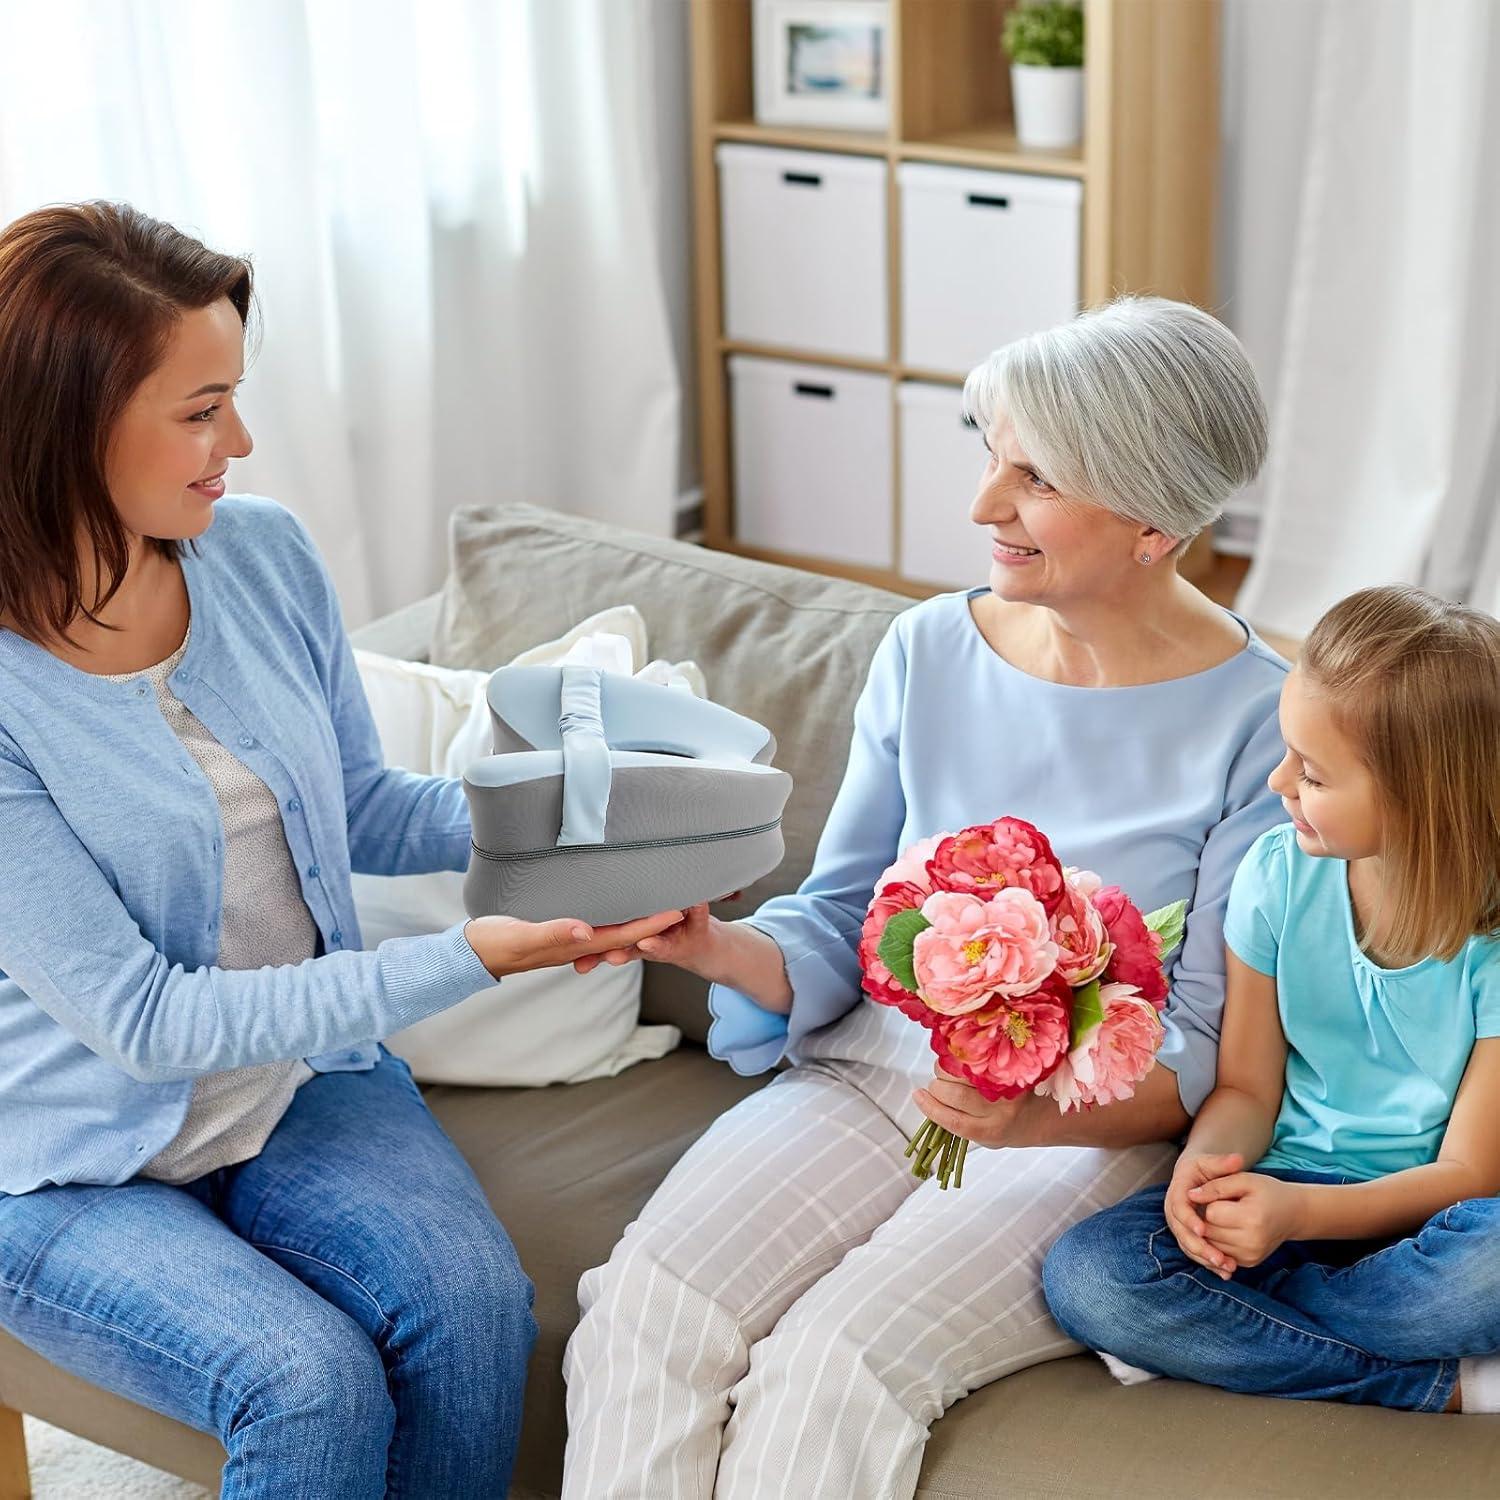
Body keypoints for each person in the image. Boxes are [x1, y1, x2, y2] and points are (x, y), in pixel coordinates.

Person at [0, 201, 679, 1499]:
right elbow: (142, 1022)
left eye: (234, 396)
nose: (240, 442)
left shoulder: (261, 560)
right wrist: (471, 958)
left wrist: (567, 822)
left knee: (475, 1309)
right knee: (303, 1379)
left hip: (295, 1079)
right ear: (65, 428)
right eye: (200, 410)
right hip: (61, 1152)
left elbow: (363, 811)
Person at [561, 296, 1291, 1497]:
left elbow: (1209, 1046)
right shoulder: (928, 650)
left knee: (831, 1369)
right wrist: (720, 948)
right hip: (866, 1073)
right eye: (988, 455)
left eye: (1034, 476)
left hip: (1075, 1135)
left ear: (1155, 514)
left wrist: (1030, 1121)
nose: (982, 505)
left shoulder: (1262, 723)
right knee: (646, 1310)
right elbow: (846, 908)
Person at [1043, 585, 1500, 1415]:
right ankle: (1443, 1385)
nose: (1278, 779)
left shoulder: (1491, 938)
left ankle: (1236, 1339)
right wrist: (1199, 1177)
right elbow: (1249, 1088)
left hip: (1436, 1218)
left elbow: (1470, 1174)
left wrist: (1299, 1215)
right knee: (1093, 1275)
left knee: (1490, 1267)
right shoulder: (1276, 873)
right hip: (1285, 1183)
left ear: (1422, 799)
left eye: (1313, 772)